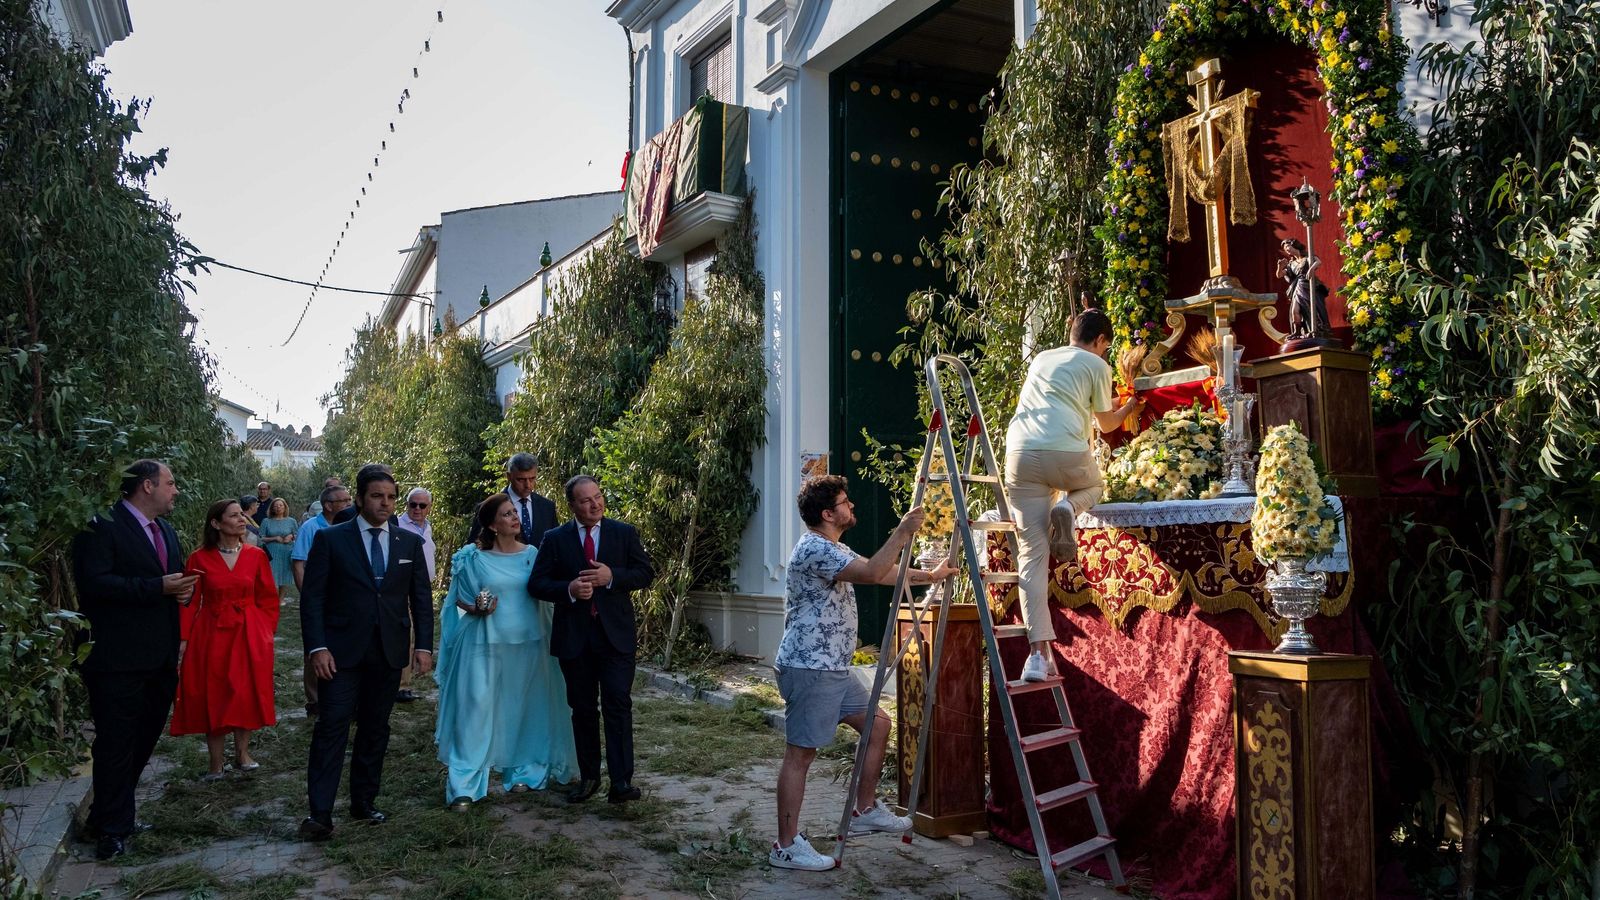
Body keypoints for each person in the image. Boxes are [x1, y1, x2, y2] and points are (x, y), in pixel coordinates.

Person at [767, 475, 956, 872]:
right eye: (844, 501)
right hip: (811, 668)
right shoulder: (815, 548)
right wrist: (903, 532)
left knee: (878, 725)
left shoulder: (833, 547)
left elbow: (879, 572)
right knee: (801, 754)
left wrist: (930, 577)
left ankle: (864, 810)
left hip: (833, 669)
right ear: (827, 513)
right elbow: (872, 573)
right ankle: (785, 845)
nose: (851, 506)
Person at [1004, 308, 1142, 683]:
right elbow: (1106, 423)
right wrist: (1130, 406)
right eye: (1105, 347)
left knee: (1032, 556)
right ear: (1099, 341)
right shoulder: (1097, 366)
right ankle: (1068, 504)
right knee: (1093, 487)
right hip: (1065, 453)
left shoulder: (1041, 359)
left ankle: (1036, 656)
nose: (1103, 353)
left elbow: (1066, 403)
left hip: (1019, 454)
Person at [298, 464, 433, 841]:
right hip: (340, 653)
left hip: (388, 652)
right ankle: (320, 814)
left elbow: (420, 598)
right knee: (332, 728)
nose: (385, 504)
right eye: (377, 496)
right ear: (359, 499)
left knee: (376, 729)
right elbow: (313, 600)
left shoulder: (409, 542)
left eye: (391, 497)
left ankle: (364, 801)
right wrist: (318, 647)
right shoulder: (331, 539)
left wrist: (423, 646)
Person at [70, 459, 197, 860]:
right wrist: (155, 587)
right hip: (115, 656)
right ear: (146, 486)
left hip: (159, 657)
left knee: (143, 738)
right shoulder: (101, 525)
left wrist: (183, 592)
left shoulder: (166, 530)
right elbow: (94, 585)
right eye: (170, 483)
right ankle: (112, 829)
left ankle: (109, 815)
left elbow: (173, 579)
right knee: (115, 742)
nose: (176, 490)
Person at [436, 494, 578, 808]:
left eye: (515, 512)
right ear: (491, 524)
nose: (515, 518)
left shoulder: (532, 555)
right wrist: (475, 608)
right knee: (476, 711)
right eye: (506, 514)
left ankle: (525, 773)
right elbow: (458, 601)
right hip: (483, 644)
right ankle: (465, 785)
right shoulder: (471, 557)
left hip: (529, 643)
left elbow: (547, 591)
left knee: (525, 707)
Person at [527, 475, 654, 805]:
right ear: (572, 505)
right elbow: (537, 584)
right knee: (582, 709)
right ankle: (589, 778)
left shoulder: (623, 533)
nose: (595, 504)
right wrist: (568, 589)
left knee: (618, 704)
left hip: (615, 637)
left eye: (598, 497)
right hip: (575, 638)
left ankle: (621, 782)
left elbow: (645, 573)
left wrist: (612, 577)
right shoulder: (555, 538)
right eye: (585, 500)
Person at [170, 499, 280, 779]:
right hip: (212, 632)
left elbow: (268, 597)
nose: (242, 519)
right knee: (214, 693)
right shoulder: (199, 558)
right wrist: (184, 638)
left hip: (248, 632)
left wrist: (266, 632)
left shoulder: (256, 556)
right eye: (234, 515)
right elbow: (190, 602)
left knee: (244, 692)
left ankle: (242, 754)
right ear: (216, 523)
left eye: (242, 514)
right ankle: (215, 763)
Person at [291, 484, 352, 718]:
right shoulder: (311, 528)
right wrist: (308, 594)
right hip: (320, 597)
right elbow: (298, 562)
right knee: (315, 646)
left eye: (349, 500)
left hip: (344, 599)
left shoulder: (350, 527)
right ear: (328, 505)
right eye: (343, 501)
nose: (349, 504)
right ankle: (315, 700)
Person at [393, 487, 437, 703]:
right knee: (405, 635)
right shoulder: (397, 526)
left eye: (422, 505)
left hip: (422, 588)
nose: (417, 509)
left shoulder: (427, 528)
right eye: (413, 504)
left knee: (414, 636)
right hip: (402, 588)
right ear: (406, 505)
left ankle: (404, 683)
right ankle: (400, 685)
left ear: (429, 507)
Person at [470, 453, 556, 548]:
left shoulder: (547, 507)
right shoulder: (489, 507)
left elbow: (555, 544)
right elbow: (474, 547)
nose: (528, 485)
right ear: (509, 476)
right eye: (521, 480)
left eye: (532, 479)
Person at [1276, 237, 1332, 344]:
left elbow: (1318, 261)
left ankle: (1315, 329)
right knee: (1294, 310)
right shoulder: (1291, 264)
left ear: (1294, 245)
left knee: (1310, 308)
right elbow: (1279, 275)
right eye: (1285, 248)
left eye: (1287, 246)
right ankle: (1297, 332)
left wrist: (1311, 269)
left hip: (1308, 286)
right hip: (1297, 287)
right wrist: (1280, 267)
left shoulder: (1307, 258)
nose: (1286, 249)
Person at [259, 497, 298, 601]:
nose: (278, 508)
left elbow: (297, 535)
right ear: (271, 508)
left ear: (285, 507)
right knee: (271, 575)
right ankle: (272, 599)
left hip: (287, 551)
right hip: (271, 553)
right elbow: (260, 538)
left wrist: (291, 537)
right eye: (275, 506)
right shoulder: (266, 521)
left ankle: (280, 600)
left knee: (284, 575)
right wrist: (274, 538)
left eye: (280, 505)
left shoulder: (291, 521)